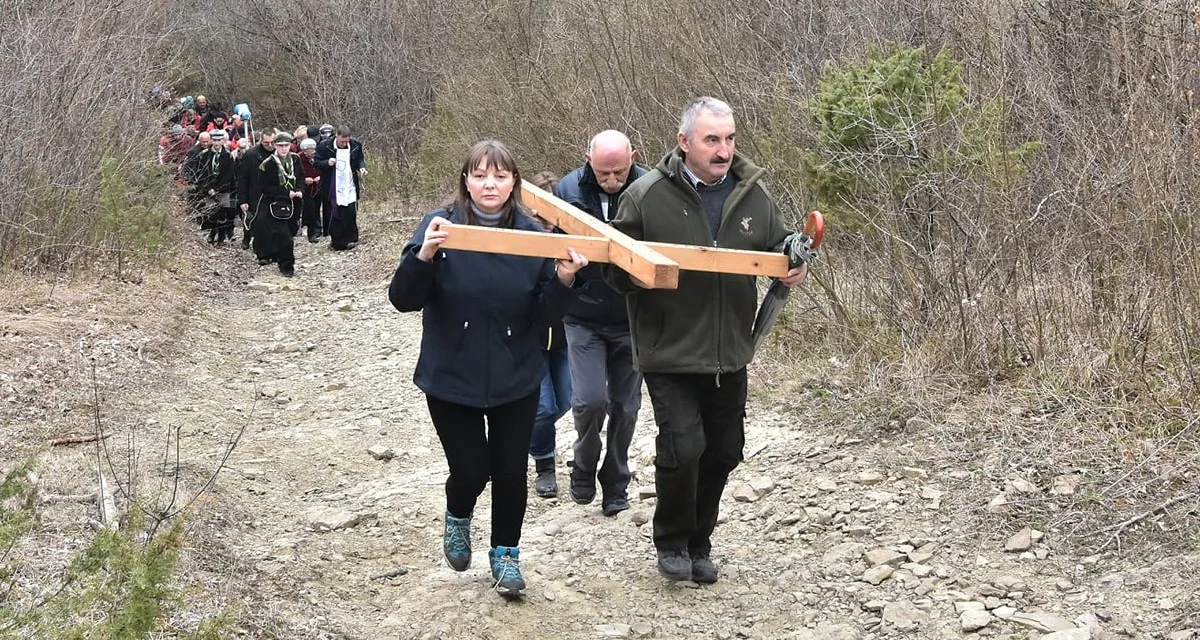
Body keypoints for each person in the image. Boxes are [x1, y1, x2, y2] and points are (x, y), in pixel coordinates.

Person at [606, 97, 809, 584]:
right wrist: (640, 273)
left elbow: (777, 243)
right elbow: (612, 267)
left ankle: (700, 540)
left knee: (725, 449)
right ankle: (672, 540)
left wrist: (792, 255)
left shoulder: (752, 196)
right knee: (683, 446)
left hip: (729, 351)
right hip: (669, 350)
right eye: (711, 139)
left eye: (730, 139)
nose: (723, 150)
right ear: (684, 142)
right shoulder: (646, 194)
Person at [388, 140, 587, 599]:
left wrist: (564, 279)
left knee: (511, 470)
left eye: (499, 176)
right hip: (450, 374)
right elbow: (403, 299)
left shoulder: (535, 235)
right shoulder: (441, 225)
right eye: (480, 175)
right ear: (466, 181)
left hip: (515, 374)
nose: (489, 184)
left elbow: (544, 316)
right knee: (473, 470)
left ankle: (506, 556)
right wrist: (424, 256)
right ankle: (458, 514)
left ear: (514, 182)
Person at [555, 130, 649, 516]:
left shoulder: (649, 188)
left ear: (633, 158)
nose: (612, 180)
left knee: (626, 407)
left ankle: (615, 481)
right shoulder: (567, 189)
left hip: (633, 315)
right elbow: (555, 249)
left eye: (619, 172)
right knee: (590, 400)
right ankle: (583, 463)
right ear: (588, 159)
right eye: (604, 173)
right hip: (584, 315)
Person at [526, 171, 572, 499]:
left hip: (565, 336)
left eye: (549, 214)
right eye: (537, 214)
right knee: (543, 407)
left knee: (566, 401)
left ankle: (523, 434)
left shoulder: (574, 242)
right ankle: (544, 464)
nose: (543, 221)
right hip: (529, 338)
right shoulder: (519, 241)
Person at [254, 130, 303, 276]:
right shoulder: (267, 164)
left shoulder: (295, 159)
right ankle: (287, 265)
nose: (283, 149)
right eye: (280, 145)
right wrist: (283, 193)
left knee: (292, 230)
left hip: (294, 202)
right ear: (275, 146)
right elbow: (263, 186)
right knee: (284, 236)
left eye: (286, 145)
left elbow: (300, 177)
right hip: (276, 204)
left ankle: (280, 255)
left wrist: (300, 190)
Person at [315, 125, 367, 250]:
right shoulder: (324, 146)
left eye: (346, 141)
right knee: (335, 212)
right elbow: (316, 163)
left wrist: (362, 167)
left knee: (350, 211)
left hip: (349, 182)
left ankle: (351, 237)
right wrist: (327, 162)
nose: (344, 143)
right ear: (336, 136)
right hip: (332, 184)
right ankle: (337, 241)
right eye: (342, 141)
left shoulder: (355, 145)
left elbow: (360, 158)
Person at [236, 129, 275, 250]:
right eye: (266, 143)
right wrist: (243, 200)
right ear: (261, 141)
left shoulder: (280, 153)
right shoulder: (250, 154)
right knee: (253, 219)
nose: (270, 146)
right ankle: (248, 238)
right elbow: (243, 178)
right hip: (255, 193)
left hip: (273, 194)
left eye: (272, 142)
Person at [201, 130, 237, 244]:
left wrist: (218, 188)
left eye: (219, 140)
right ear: (211, 140)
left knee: (222, 213)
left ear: (223, 141)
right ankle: (212, 232)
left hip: (223, 188)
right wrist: (209, 188)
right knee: (212, 212)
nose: (216, 143)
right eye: (214, 140)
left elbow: (229, 174)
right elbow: (203, 173)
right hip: (209, 189)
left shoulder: (228, 156)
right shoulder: (205, 154)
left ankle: (221, 236)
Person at [298, 137, 323, 243]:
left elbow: (323, 168)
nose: (313, 152)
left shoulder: (318, 157)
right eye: (310, 150)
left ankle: (316, 230)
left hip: (317, 188)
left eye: (314, 149)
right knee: (310, 209)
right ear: (304, 150)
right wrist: (304, 180)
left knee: (316, 209)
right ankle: (311, 233)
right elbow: (295, 174)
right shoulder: (298, 159)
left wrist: (320, 177)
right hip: (305, 190)